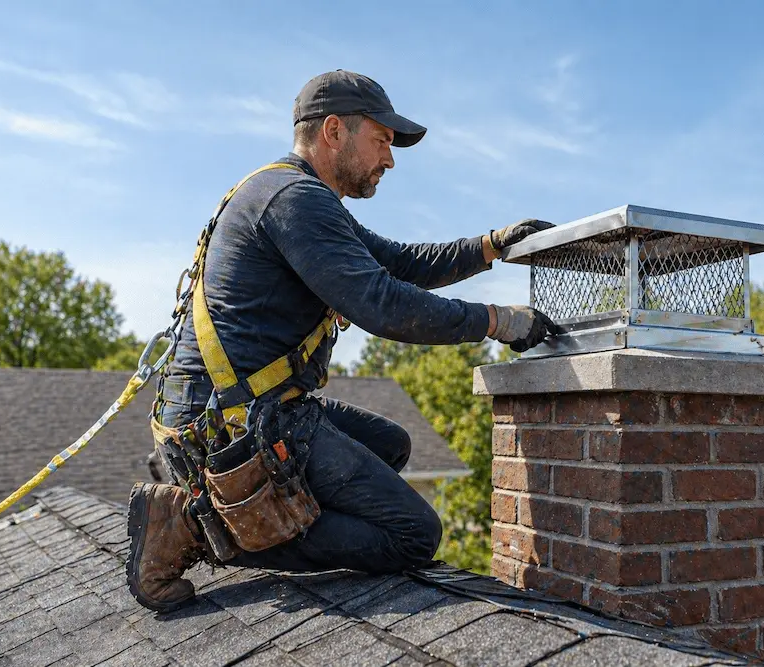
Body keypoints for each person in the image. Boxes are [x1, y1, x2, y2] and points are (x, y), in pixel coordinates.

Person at [126, 69, 560, 612]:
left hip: (242, 411)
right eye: (381, 140)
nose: (390, 158)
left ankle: (252, 507)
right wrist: (498, 322)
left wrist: (491, 246)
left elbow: (400, 263)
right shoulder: (293, 201)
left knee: (393, 445)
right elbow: (382, 302)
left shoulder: (296, 194)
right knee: (414, 535)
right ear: (334, 131)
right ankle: (197, 523)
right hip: (232, 426)